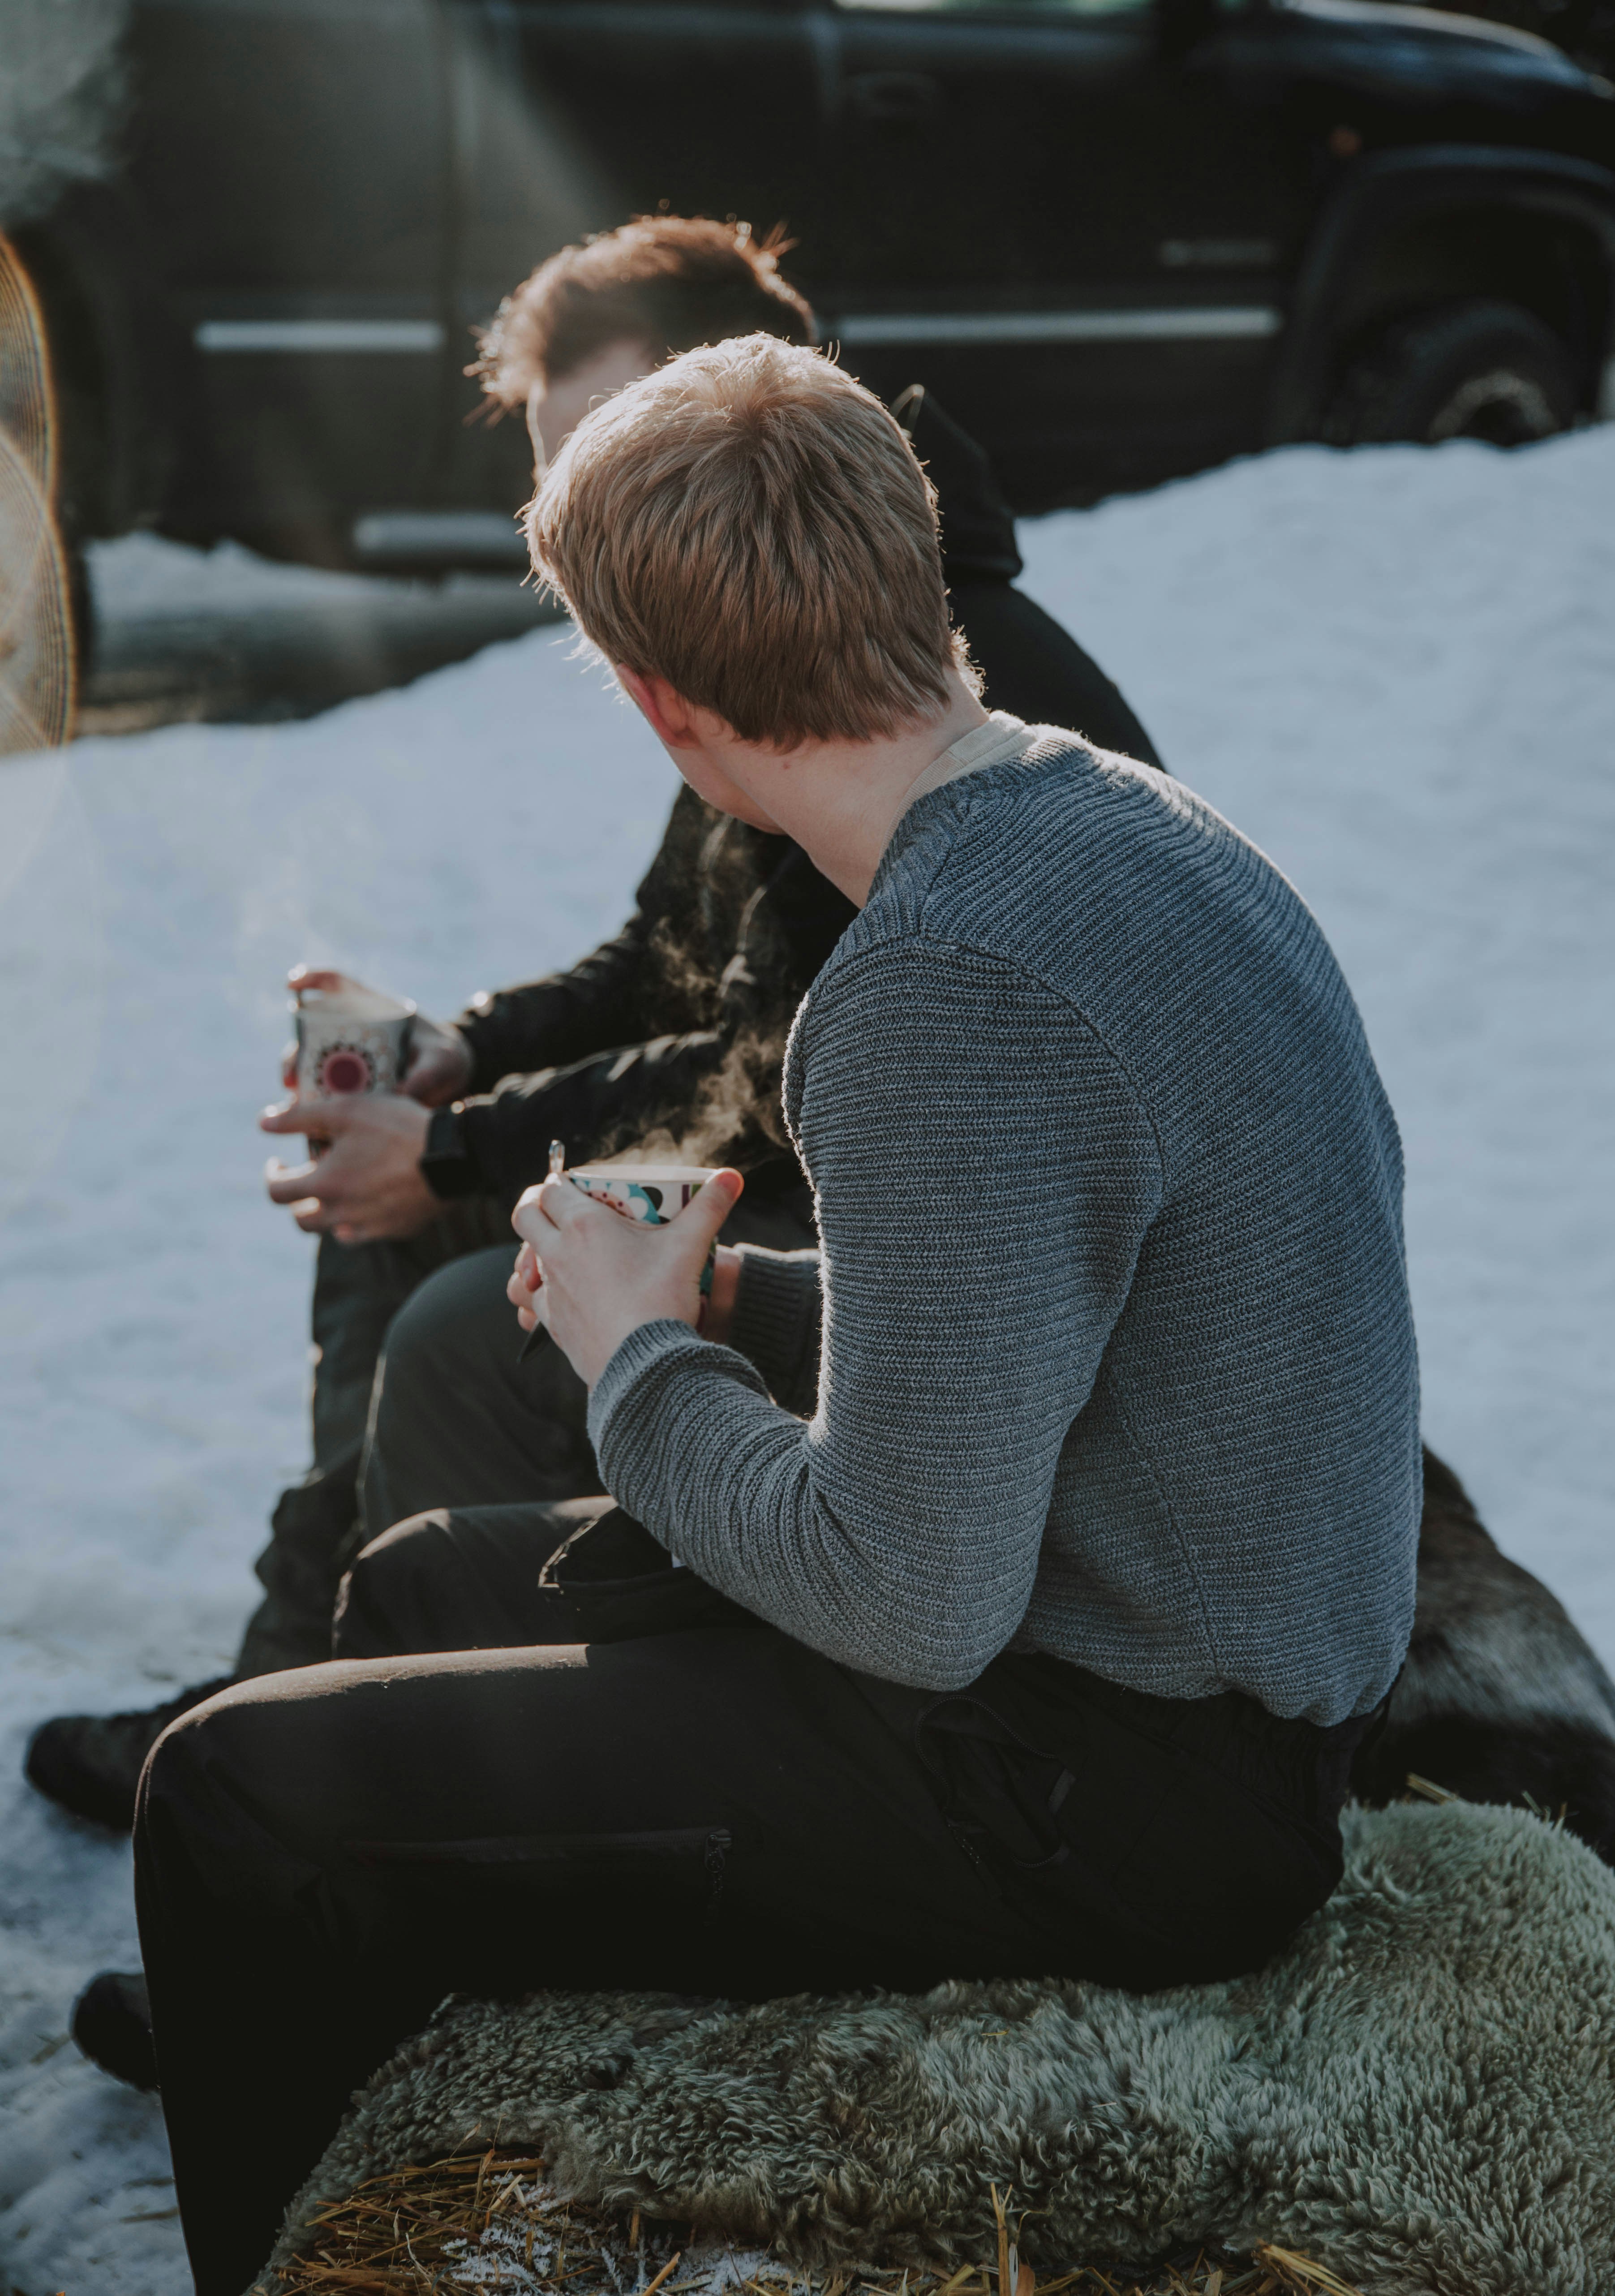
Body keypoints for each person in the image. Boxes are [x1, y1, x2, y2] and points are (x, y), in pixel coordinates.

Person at [132, 334, 1419, 2296]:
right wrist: (727, 1287)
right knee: (405, 1586)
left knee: (226, 1803)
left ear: (659, 707)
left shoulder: (937, 978)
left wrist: (643, 1360)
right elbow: (1069, 1295)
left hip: (1131, 1791)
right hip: (1162, 1677)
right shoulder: (1111, 812)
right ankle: (417, 2096)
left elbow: (911, 1596)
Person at [25, 215, 1162, 1831]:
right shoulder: (769, 615)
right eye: (560, 480)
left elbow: (789, 1072)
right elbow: (671, 952)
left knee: (446, 1313)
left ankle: (403, 1801)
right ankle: (291, 1681)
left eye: (616, 460)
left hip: (868, 1221)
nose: (584, 535)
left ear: (746, 405)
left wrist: (471, 1157)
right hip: (799, 1160)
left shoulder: (899, 664)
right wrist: (470, 1060)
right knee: (388, 1211)